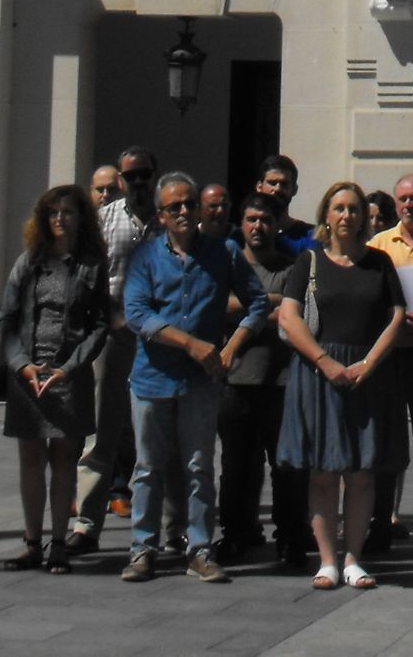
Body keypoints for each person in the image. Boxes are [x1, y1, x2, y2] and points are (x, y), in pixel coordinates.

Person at [119, 170, 271, 582]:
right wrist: (189, 344)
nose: (184, 211)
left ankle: (200, 549)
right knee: (148, 468)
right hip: (153, 377)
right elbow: (137, 314)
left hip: (201, 382)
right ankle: (142, 549)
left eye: (190, 203)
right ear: (161, 215)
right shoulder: (145, 256)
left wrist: (232, 346)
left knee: (199, 467)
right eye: (175, 207)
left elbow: (258, 303)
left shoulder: (224, 253)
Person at [276, 180, 408, 593]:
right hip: (319, 374)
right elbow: (288, 317)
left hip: (367, 376)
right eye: (339, 208)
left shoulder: (380, 262)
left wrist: (369, 362)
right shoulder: (309, 262)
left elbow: (397, 316)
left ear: (364, 217)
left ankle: (353, 558)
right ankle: (328, 560)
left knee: (362, 473)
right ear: (326, 216)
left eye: (354, 209)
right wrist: (325, 361)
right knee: (323, 473)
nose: (347, 215)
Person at [0, 183, 108, 573]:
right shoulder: (28, 262)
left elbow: (99, 325)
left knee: (64, 458)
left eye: (68, 212)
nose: (60, 218)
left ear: (81, 218)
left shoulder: (92, 265)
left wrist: (70, 367)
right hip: (28, 375)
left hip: (67, 375)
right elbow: (7, 320)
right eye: (53, 212)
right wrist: (21, 364)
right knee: (31, 458)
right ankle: (32, 543)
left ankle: (59, 543)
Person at [71, 146, 158, 554]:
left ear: (154, 176)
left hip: (158, 339)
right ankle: (87, 524)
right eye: (131, 176)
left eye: (144, 175)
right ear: (121, 180)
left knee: (155, 434)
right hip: (114, 335)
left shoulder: (168, 219)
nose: (138, 182)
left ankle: (162, 527)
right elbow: (88, 276)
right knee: (101, 433)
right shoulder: (105, 219)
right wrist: (111, 315)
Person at [218, 197, 306, 569]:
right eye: (252, 219)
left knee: (286, 467)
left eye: (266, 220)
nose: (258, 226)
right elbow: (218, 307)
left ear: (276, 224)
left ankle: (290, 539)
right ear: (242, 223)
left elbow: (292, 314)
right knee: (235, 466)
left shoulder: (293, 266)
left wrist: (248, 304)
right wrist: (267, 302)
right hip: (235, 379)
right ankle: (235, 535)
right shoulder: (228, 264)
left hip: (282, 382)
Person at [367, 172, 413, 557]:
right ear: (395, 203)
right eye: (404, 199)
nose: (410, 205)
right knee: (387, 442)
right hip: (390, 357)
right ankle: (380, 523)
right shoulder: (378, 245)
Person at [256, 153, 315, 253]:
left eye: (284, 184)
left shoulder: (310, 237)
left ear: (294, 189)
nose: (277, 189)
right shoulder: (244, 236)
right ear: (259, 187)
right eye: (272, 183)